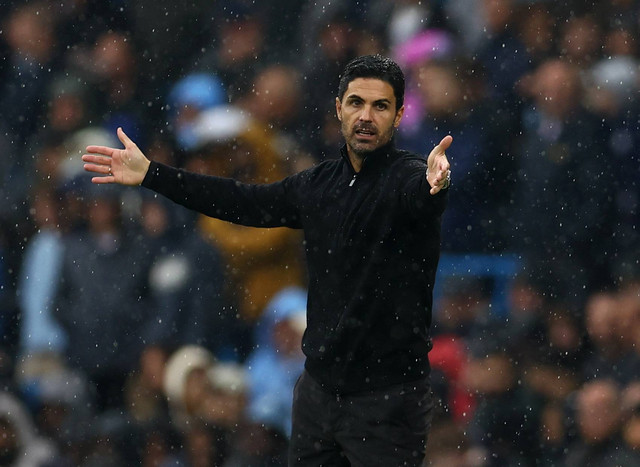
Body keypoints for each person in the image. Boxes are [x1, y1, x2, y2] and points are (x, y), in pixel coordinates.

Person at [82, 54, 452, 466]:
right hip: (319, 391)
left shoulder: (408, 177)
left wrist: (434, 185)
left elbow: (420, 196)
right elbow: (242, 201)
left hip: (387, 398)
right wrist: (153, 174)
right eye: (356, 103)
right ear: (338, 108)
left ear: (400, 115)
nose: (366, 116)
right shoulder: (318, 184)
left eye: (380, 106)